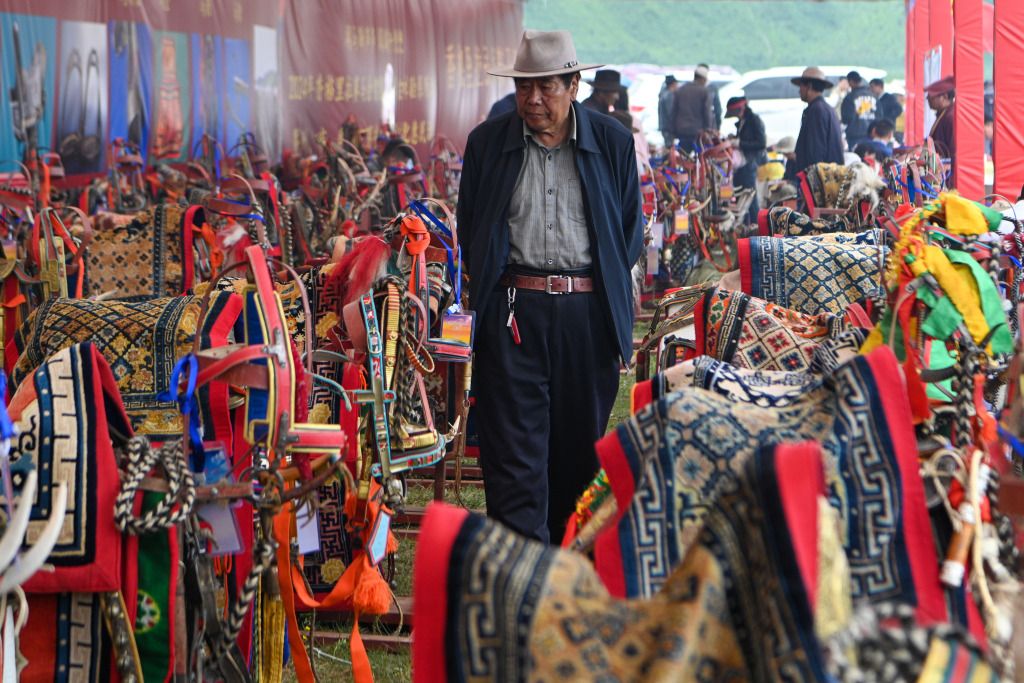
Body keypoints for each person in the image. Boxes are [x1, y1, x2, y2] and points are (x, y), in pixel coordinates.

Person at [457, 30, 644, 543]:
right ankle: (523, 571)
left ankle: (565, 568)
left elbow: (627, 233)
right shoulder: (487, 144)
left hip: (586, 318)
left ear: (574, 85)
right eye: (524, 87)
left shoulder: (612, 142)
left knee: (578, 458)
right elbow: (472, 227)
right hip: (514, 313)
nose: (533, 99)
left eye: (546, 87)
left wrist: (594, 291)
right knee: (513, 458)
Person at [786, 67, 845, 180]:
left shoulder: (816, 111)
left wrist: (812, 181)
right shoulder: (827, 109)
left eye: (801, 86)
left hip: (821, 180)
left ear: (809, 86)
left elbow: (816, 151)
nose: (799, 90)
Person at [725, 96, 766, 223]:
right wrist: (735, 138)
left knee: (750, 199)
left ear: (741, 109)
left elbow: (761, 143)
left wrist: (739, 143)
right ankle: (745, 226)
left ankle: (757, 227)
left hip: (750, 163)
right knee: (741, 198)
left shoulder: (754, 120)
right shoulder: (743, 121)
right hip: (743, 165)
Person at [671, 65, 715, 153]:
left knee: (684, 157)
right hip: (698, 132)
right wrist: (708, 129)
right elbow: (707, 112)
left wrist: (673, 131)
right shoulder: (704, 91)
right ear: (702, 79)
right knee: (700, 157)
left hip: (682, 131)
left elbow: (673, 112)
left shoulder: (680, 90)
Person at [841, 70, 877, 149]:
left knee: (856, 156)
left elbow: (846, 118)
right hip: (872, 134)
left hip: (855, 135)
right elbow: (880, 115)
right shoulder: (873, 96)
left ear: (850, 82)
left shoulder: (850, 97)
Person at [926, 75, 955, 165]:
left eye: (931, 96)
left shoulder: (951, 117)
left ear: (945, 97)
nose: (927, 98)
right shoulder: (944, 114)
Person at [698, 62, 722, 129]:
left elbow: (717, 107)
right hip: (708, 122)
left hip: (697, 123)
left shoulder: (691, 88)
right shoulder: (712, 87)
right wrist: (718, 124)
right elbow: (717, 107)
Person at [658, 74, 679, 149]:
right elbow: (671, 113)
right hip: (668, 127)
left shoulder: (664, 93)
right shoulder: (669, 95)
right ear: (672, 84)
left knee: (668, 147)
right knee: (670, 148)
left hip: (665, 126)